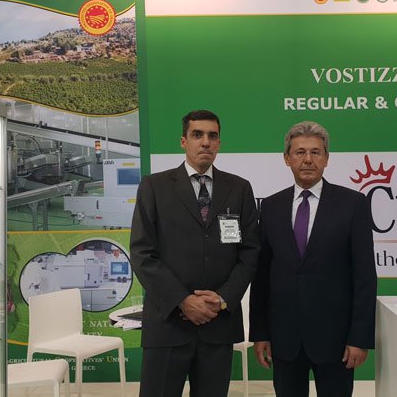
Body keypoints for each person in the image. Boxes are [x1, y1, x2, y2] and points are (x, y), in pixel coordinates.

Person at [130, 109, 260, 397]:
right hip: (168, 324)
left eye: (212, 136)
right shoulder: (154, 186)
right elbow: (142, 253)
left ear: (219, 143)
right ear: (183, 141)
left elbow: (250, 252)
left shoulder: (239, 188)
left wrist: (223, 299)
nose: (205, 142)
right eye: (197, 135)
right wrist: (183, 300)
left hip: (218, 324)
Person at [249, 121, 376, 397]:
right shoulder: (270, 207)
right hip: (284, 340)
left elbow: (365, 277)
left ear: (327, 158)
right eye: (300, 152)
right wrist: (260, 333)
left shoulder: (353, 204)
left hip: (336, 341)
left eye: (316, 152)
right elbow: (261, 277)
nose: (308, 159)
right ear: (287, 158)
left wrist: (359, 338)